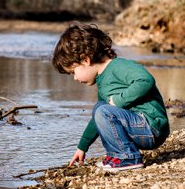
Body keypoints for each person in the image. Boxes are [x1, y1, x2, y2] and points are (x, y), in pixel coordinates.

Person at [52, 22, 169, 171]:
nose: (74, 78)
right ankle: (116, 155)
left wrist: (119, 100)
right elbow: (98, 119)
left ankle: (127, 157)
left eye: (73, 72)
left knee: (103, 110)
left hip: (151, 127)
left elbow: (146, 80)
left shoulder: (118, 66)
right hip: (138, 128)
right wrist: (82, 147)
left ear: (86, 60)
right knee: (100, 109)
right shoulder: (102, 81)